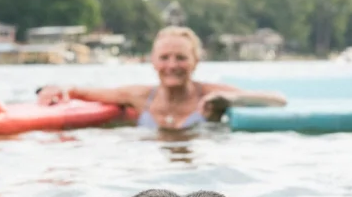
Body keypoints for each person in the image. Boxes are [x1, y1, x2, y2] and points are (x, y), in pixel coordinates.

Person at [36, 26, 287, 129]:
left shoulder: (210, 92)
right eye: (165, 58)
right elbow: (83, 91)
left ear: (195, 62)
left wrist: (227, 100)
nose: (172, 65)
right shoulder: (139, 95)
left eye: (181, 58)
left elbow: (278, 100)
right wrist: (58, 89)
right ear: (153, 61)